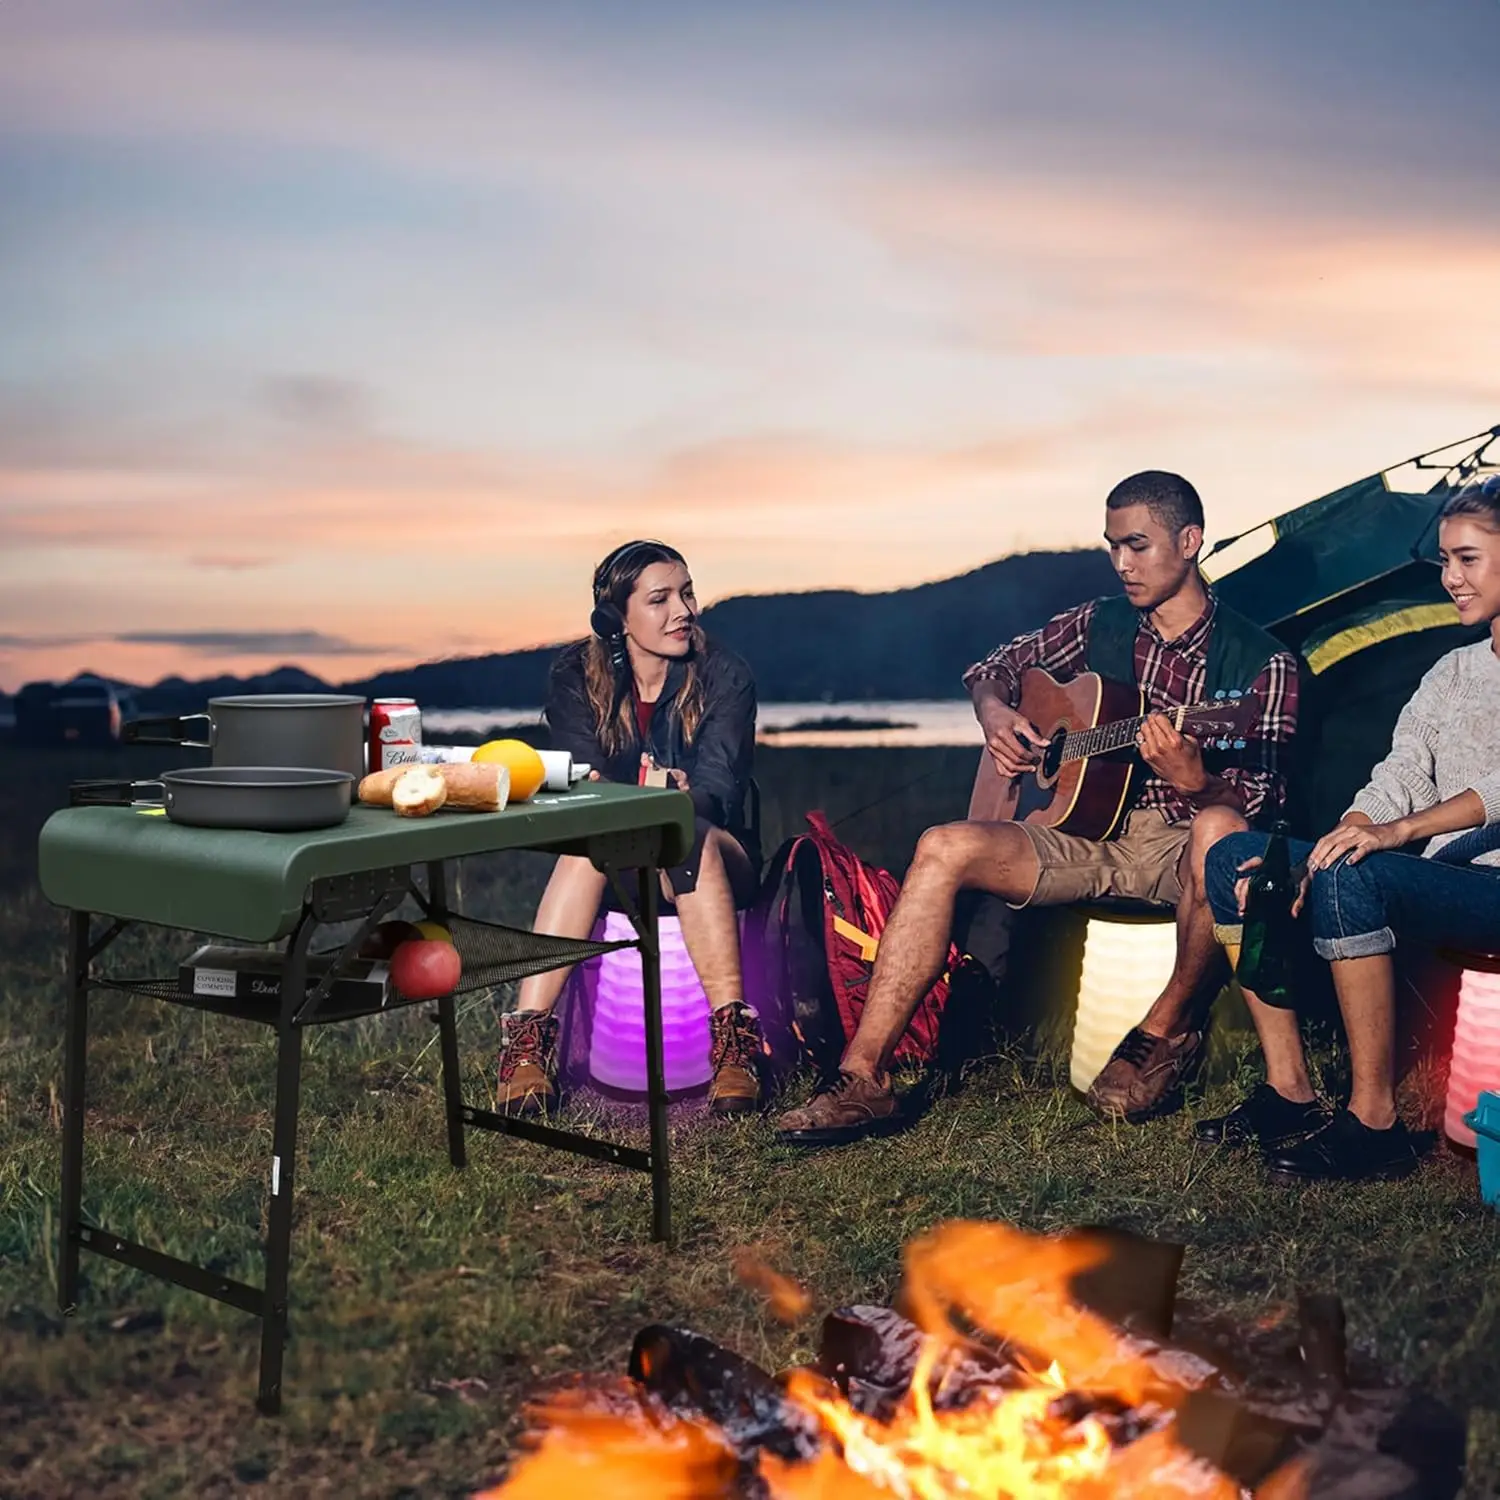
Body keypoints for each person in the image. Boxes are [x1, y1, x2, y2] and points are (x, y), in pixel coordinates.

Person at [774, 470, 1300, 1145]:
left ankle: (1167, 1030)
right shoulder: (1097, 623)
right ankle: (862, 1078)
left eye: (1137, 546)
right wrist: (997, 717)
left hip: (1181, 846)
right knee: (942, 844)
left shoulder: (1262, 666)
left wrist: (1197, 781)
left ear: (1190, 540)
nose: (1121, 564)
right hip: (1082, 834)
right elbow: (991, 669)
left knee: (1220, 828)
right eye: (1112, 546)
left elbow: (1261, 815)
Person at [1201, 474, 1500, 1182]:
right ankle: (1290, 1091)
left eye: (1468, 559)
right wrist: (1357, 825)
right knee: (1238, 859)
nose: (1449, 578)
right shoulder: (1452, 671)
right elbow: (1400, 770)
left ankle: (1375, 1123)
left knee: (1352, 874)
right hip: (1441, 879)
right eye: (1445, 560)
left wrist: (1400, 833)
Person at [495, 539, 764, 1117]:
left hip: (712, 852)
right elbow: (583, 782)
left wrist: (666, 796)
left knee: (682, 831)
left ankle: (734, 1048)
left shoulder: (725, 675)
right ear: (614, 617)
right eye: (660, 599)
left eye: (687, 593)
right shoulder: (576, 674)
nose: (683, 611)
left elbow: (716, 791)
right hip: (617, 853)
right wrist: (638, 793)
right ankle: (525, 1047)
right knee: (593, 843)